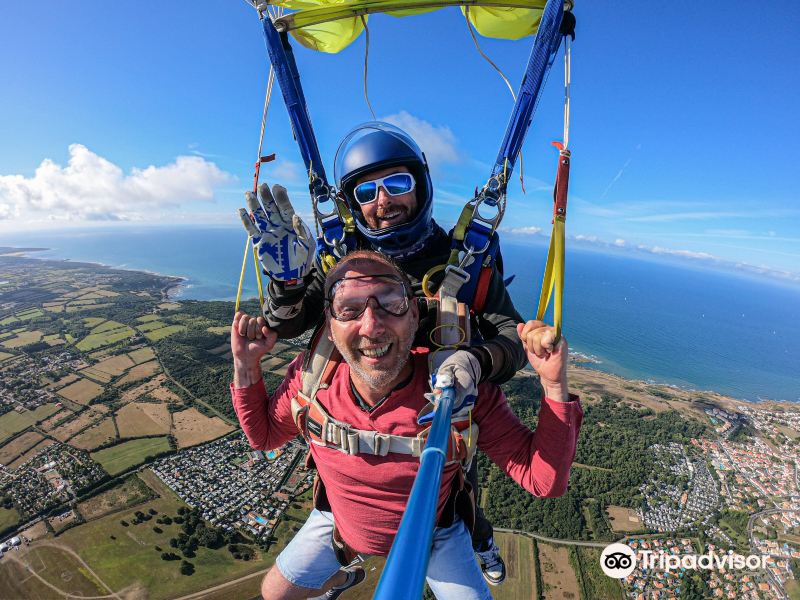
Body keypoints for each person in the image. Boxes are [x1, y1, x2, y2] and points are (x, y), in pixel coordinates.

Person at [240, 122, 526, 583]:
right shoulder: (344, 260)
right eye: (366, 193)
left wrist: (479, 360)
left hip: (439, 412)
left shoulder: (466, 261)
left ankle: (481, 543)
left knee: (455, 495)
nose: (383, 201)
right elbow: (291, 323)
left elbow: (509, 334)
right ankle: (353, 553)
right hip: (362, 410)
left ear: (421, 185)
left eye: (396, 184)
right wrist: (288, 283)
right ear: (353, 206)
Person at [230, 250, 583, 600]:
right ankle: (339, 581)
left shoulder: (458, 392)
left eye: (391, 301)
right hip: (339, 525)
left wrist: (554, 388)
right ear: (330, 324)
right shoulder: (312, 381)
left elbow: (543, 480)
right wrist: (246, 367)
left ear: (414, 314)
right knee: (274, 593)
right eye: (349, 307)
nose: (371, 325)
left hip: (434, 535)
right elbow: (264, 436)